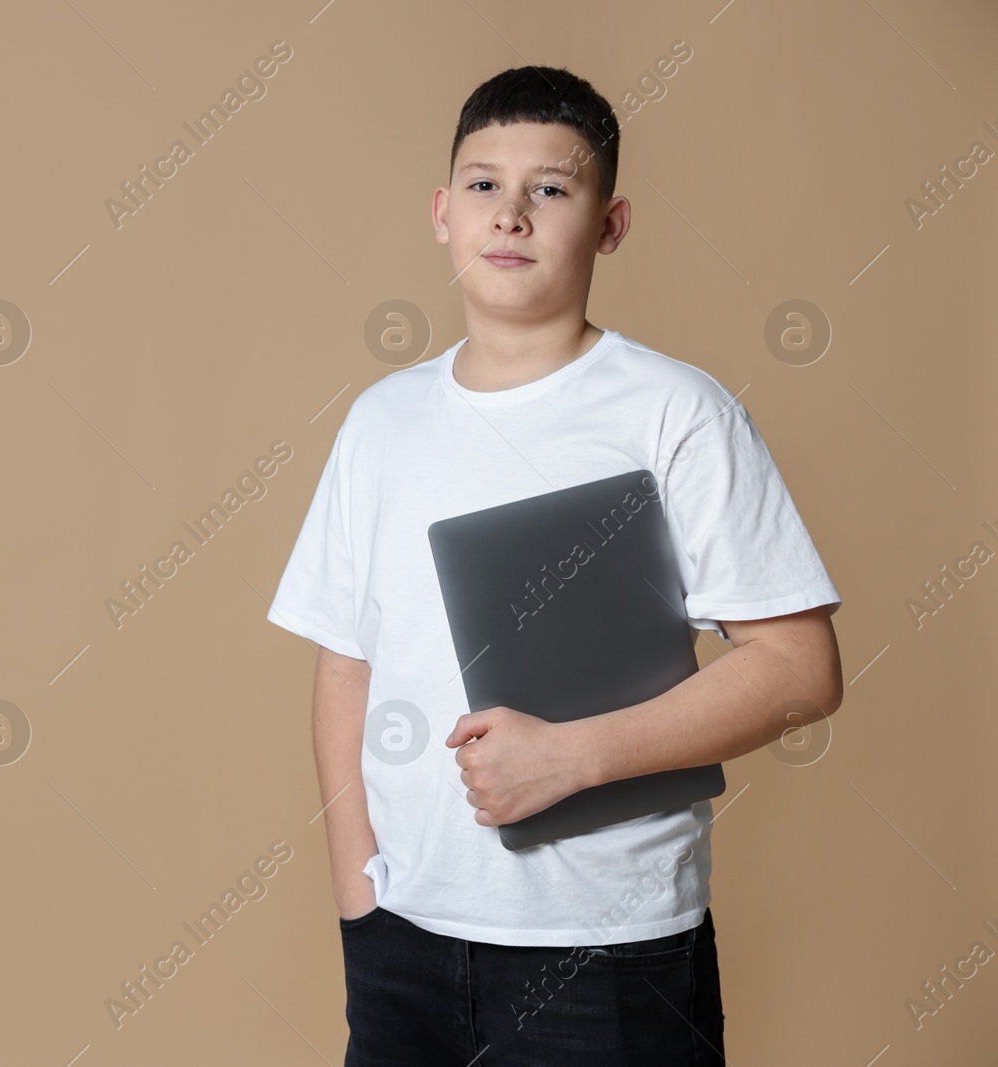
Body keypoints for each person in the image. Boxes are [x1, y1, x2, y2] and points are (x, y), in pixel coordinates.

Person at [265, 65, 844, 1065]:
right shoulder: (381, 422)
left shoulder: (675, 412)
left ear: (610, 225)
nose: (512, 214)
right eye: (484, 184)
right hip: (402, 941)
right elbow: (346, 661)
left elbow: (800, 671)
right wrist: (359, 890)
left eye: (552, 188)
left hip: (607, 949)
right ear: (442, 214)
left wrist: (573, 757)